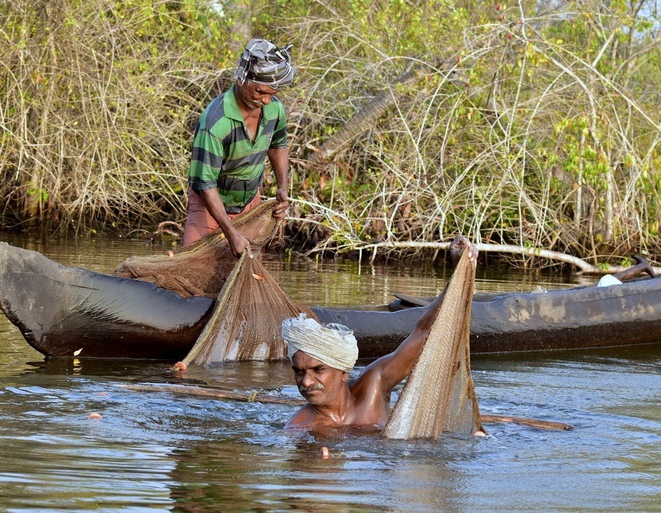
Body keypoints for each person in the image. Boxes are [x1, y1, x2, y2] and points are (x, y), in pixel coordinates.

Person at [281, 237, 479, 432]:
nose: (306, 382)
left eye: (318, 369)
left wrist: (461, 271)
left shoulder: (374, 384)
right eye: (299, 371)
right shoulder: (300, 427)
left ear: (344, 372)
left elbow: (425, 332)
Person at [182, 38, 296, 257]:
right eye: (260, 92)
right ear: (242, 79)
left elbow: (278, 145)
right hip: (210, 205)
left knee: (248, 270)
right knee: (191, 269)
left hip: (249, 204)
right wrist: (231, 233)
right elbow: (205, 184)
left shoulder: (274, 110)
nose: (266, 101)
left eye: (272, 94)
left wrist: (283, 187)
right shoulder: (216, 123)